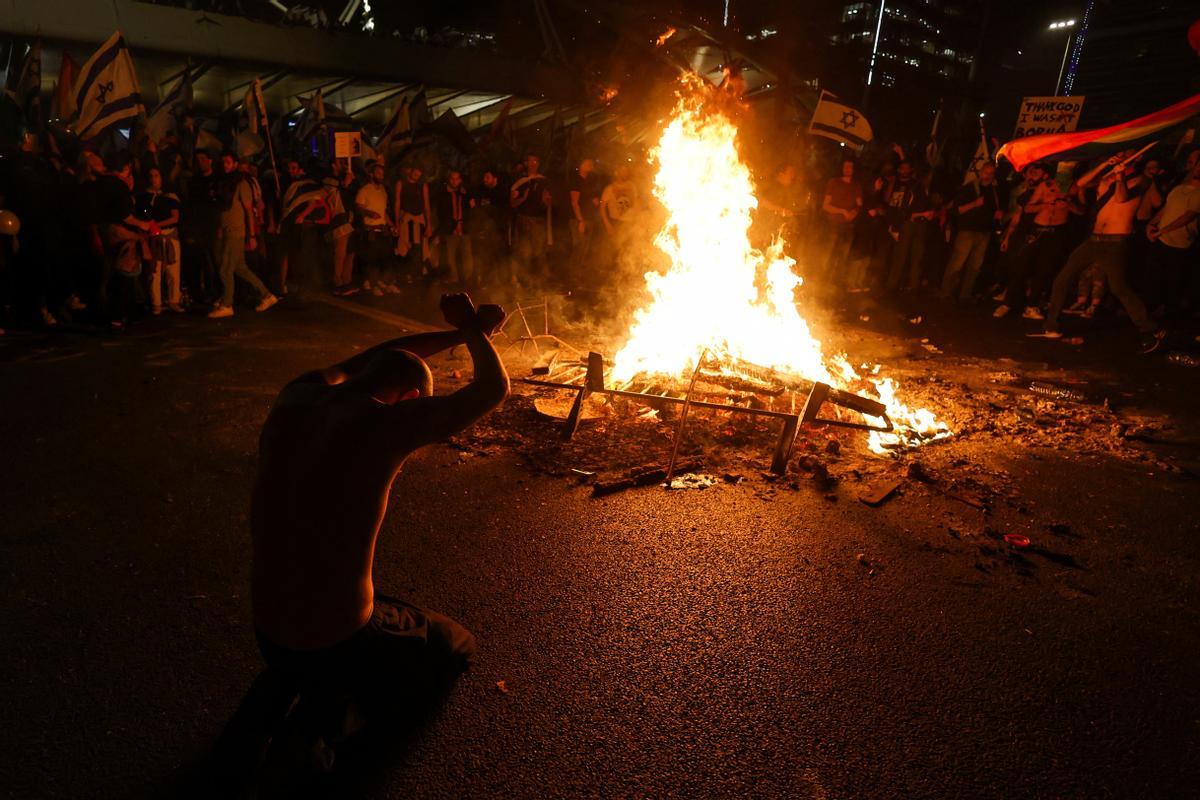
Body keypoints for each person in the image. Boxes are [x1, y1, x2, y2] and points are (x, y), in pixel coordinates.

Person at [250, 293, 508, 746]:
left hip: (266, 630)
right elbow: (492, 389)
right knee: (455, 644)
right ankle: (340, 722)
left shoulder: (300, 393)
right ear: (409, 398)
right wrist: (472, 330)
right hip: (334, 640)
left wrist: (459, 331)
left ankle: (296, 685)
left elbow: (371, 357)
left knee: (384, 602)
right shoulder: (384, 425)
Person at [1037, 153, 1163, 349]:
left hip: (1116, 242)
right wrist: (1105, 164)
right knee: (1062, 278)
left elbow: (1121, 198)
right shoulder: (1107, 178)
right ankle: (1051, 325)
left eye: (1127, 156)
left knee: (1118, 287)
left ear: (1136, 160)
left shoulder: (1142, 181)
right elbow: (1080, 183)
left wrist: (1120, 175)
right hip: (1094, 240)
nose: (1123, 158)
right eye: (1120, 155)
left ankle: (1150, 328)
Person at [994, 167, 1078, 319]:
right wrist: (1047, 205)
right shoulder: (1044, 187)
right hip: (1037, 231)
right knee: (1021, 268)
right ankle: (1008, 303)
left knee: (1043, 271)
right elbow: (1026, 209)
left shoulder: (1074, 188)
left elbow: (1081, 210)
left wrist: (1069, 204)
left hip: (1056, 233)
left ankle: (1031, 306)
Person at [209, 152, 277, 318]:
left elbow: (248, 210)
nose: (225, 164)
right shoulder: (226, 183)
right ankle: (267, 295)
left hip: (236, 230)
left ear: (235, 163)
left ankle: (227, 304)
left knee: (226, 268)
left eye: (228, 161)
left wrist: (251, 235)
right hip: (227, 229)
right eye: (223, 161)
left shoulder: (241, 183)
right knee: (240, 268)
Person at [1145, 156, 1200, 318]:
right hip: (1161, 239)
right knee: (1153, 275)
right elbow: (1165, 209)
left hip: (1180, 244)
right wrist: (1151, 224)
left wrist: (1163, 230)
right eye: (1198, 165)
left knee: (1173, 280)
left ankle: (1170, 313)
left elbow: (1187, 217)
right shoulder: (1179, 189)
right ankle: (1152, 308)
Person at [940, 163, 1002, 302]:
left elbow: (992, 210)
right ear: (980, 172)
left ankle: (965, 294)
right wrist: (974, 204)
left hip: (984, 232)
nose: (988, 176)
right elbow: (957, 210)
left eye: (991, 174)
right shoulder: (968, 189)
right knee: (957, 264)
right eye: (986, 172)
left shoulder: (994, 191)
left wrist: (997, 214)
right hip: (967, 231)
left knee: (975, 266)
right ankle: (946, 292)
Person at [136, 166, 184, 314]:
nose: (154, 179)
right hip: (154, 238)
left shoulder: (170, 196)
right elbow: (142, 216)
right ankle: (156, 303)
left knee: (173, 271)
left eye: (156, 175)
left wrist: (156, 224)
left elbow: (175, 217)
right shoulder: (143, 198)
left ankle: (173, 301)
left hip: (169, 236)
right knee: (154, 272)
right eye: (151, 176)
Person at [883, 161, 936, 291]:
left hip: (920, 225)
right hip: (908, 224)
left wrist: (929, 213)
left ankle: (912, 286)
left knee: (917, 257)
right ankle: (891, 285)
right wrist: (918, 214)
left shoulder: (922, 189)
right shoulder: (911, 187)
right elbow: (905, 209)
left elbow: (927, 205)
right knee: (900, 256)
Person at [355, 160, 396, 297]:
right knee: (372, 260)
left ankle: (386, 283)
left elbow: (384, 212)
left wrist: (392, 225)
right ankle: (373, 285)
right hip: (371, 231)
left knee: (385, 259)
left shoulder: (383, 191)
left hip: (383, 230)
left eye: (382, 174)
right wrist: (368, 213)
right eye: (378, 173)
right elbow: (358, 208)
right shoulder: (365, 190)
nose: (381, 176)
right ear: (371, 174)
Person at [510, 154, 552, 285]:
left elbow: (549, 202)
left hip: (538, 220)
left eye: (535, 161)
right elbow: (512, 203)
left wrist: (547, 200)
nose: (532, 163)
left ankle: (540, 280)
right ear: (526, 164)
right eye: (530, 161)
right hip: (524, 220)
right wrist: (523, 198)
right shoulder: (520, 182)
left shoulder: (544, 181)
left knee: (539, 251)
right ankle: (523, 278)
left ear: (538, 164)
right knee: (524, 251)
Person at [819, 158, 862, 286]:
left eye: (850, 167)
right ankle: (822, 281)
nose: (848, 169)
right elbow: (825, 206)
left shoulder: (856, 185)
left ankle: (836, 283)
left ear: (853, 169)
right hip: (833, 224)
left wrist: (854, 213)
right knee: (829, 253)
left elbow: (859, 205)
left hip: (848, 226)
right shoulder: (834, 182)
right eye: (846, 167)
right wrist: (842, 211)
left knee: (843, 255)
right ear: (842, 168)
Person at [434, 170, 474, 284]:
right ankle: (453, 276)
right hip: (450, 229)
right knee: (449, 255)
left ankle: (468, 277)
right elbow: (441, 213)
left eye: (457, 179)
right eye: (452, 178)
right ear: (449, 180)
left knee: (466, 254)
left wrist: (466, 223)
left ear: (460, 180)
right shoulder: (443, 195)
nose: (454, 181)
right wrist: (446, 226)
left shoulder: (464, 193)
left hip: (464, 228)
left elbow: (471, 209)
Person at [567, 158, 603, 275]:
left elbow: (591, 197)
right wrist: (580, 220)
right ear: (580, 165)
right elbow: (574, 202)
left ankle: (577, 273)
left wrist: (595, 201)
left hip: (589, 218)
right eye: (586, 163)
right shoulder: (576, 180)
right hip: (578, 219)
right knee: (579, 246)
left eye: (591, 163)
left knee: (585, 247)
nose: (590, 165)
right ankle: (572, 274)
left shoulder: (590, 181)